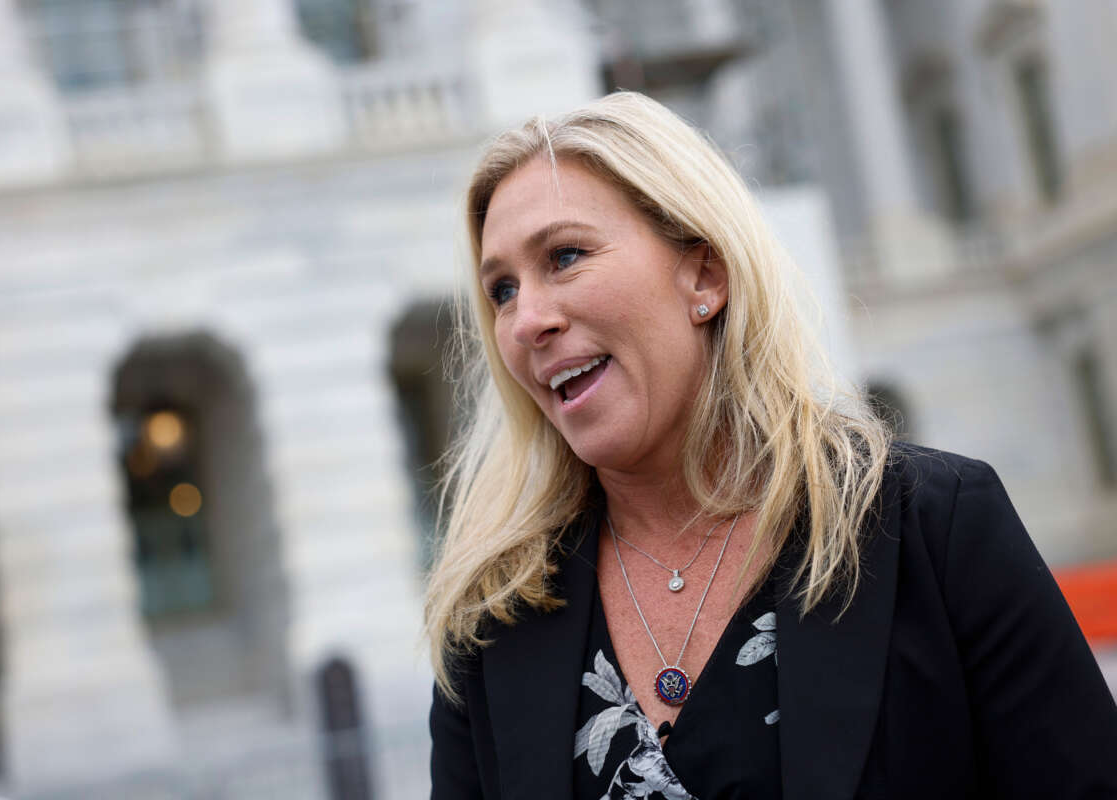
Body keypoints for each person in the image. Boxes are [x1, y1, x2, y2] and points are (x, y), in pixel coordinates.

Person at [424, 92, 1117, 800]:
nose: (526, 320)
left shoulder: (933, 529)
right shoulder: (493, 619)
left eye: (565, 256)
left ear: (705, 275)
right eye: (502, 290)